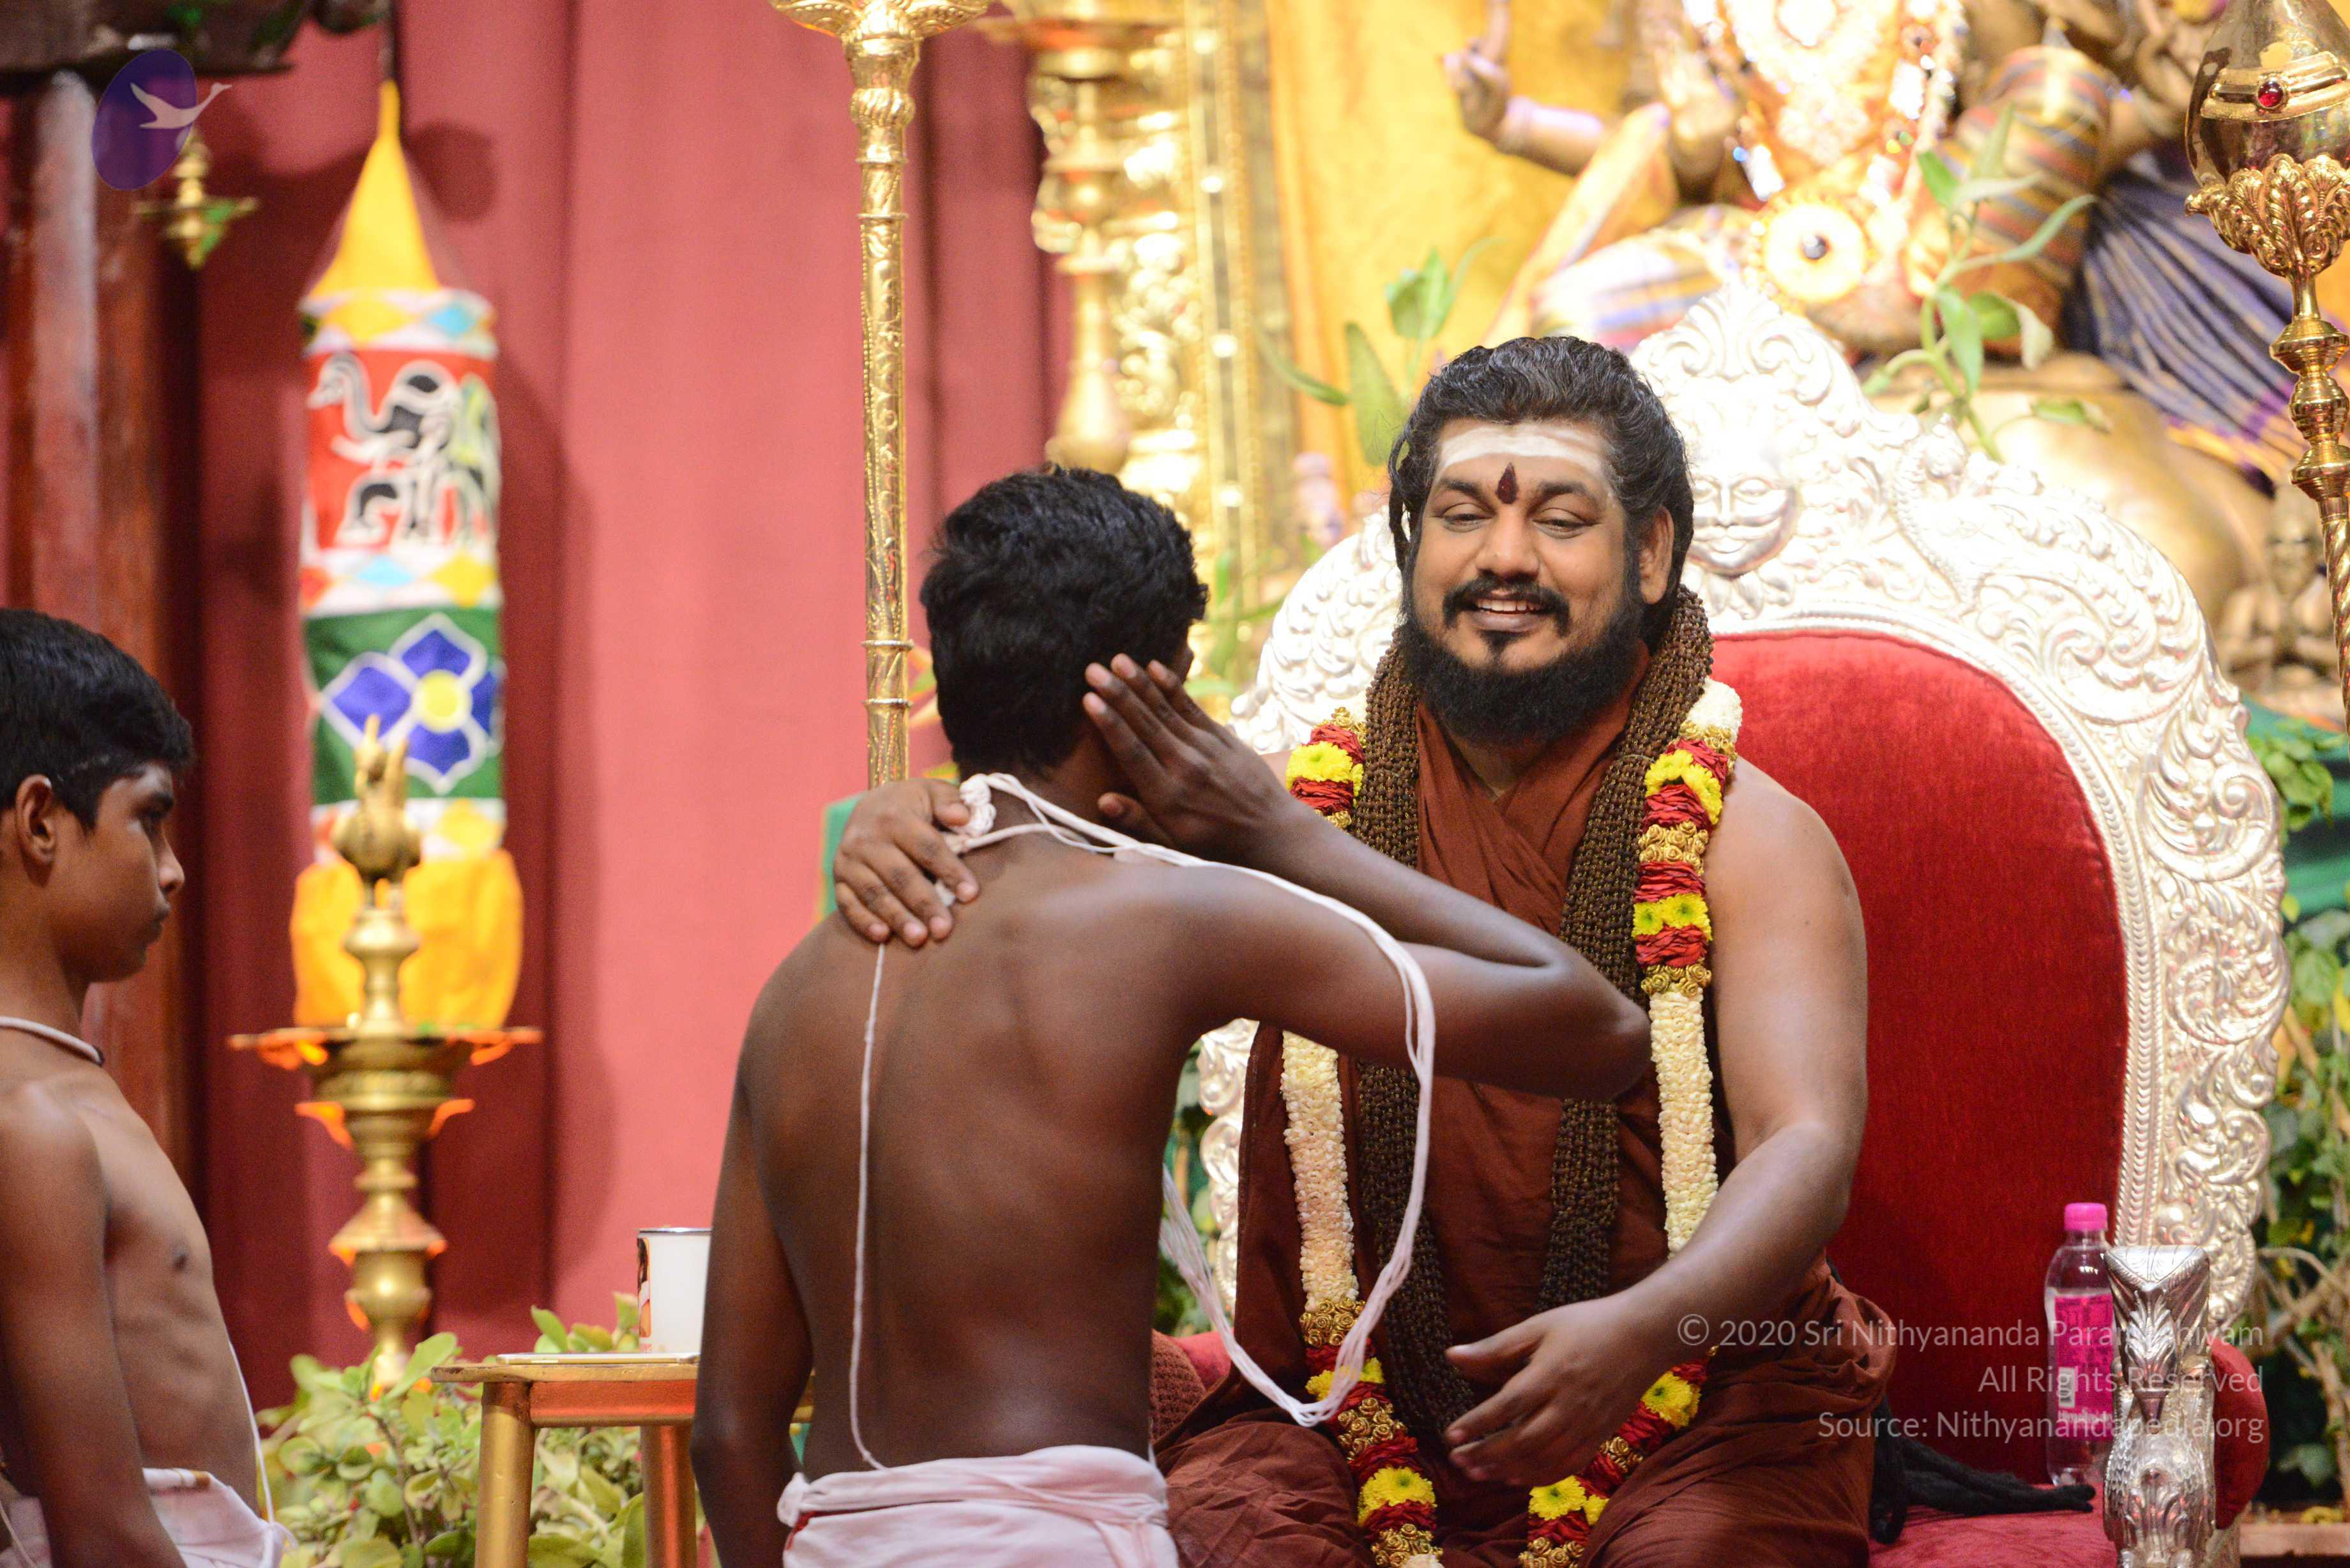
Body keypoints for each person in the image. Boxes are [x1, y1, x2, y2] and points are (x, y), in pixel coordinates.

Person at [832, 338, 1895, 1565]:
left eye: (1561, 520)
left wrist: (1646, 1330)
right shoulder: (1283, 812)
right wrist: (914, 816)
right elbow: (1039, 864)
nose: (1505, 556)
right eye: (1462, 515)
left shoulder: (1746, 834)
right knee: (1235, 1545)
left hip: (1701, 1402)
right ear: (1409, 544)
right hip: (1346, 1417)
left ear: (1651, 554)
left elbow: (1805, 1143)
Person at [691, 466, 1657, 1568]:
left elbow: (729, 1436)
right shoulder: (1167, 919)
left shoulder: (797, 989)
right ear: (1152, 697)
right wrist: (1279, 833)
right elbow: (1597, 1031)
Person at [0, 609, 284, 1568]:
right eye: (148, 819)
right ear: (42, 822)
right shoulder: (29, 1121)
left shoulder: (61, 1089)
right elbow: (103, 1535)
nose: (174, 871)